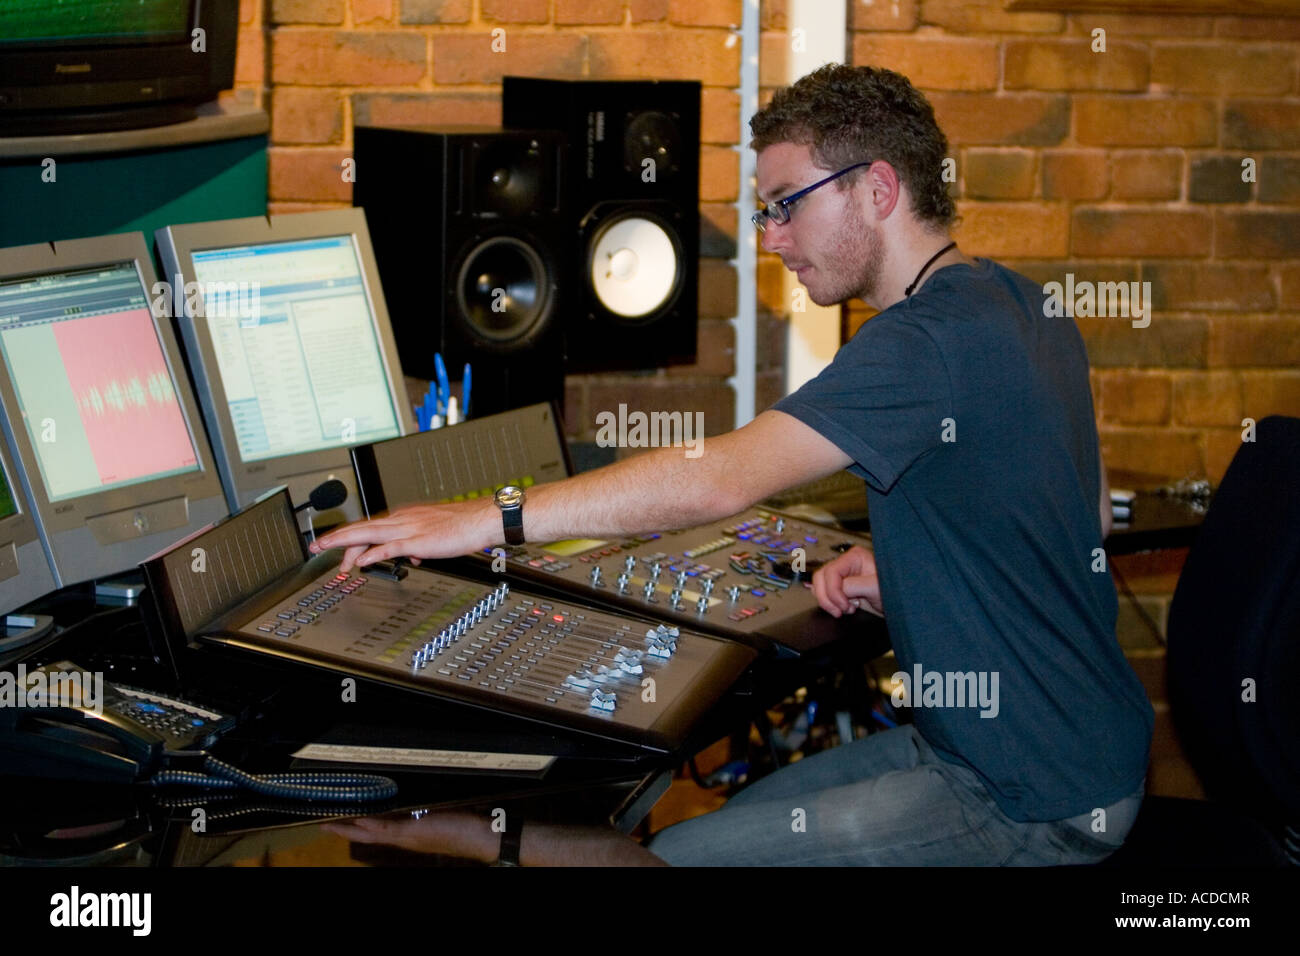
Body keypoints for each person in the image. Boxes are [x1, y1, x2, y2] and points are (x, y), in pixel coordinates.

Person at [313, 64, 1154, 866]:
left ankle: (471, 838)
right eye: (765, 213)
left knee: (676, 855)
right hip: (1060, 747)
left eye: (786, 205)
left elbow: (722, 477)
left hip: (1026, 795)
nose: (774, 237)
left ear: (879, 188)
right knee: (743, 820)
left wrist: (484, 518)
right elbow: (1053, 517)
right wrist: (910, 572)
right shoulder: (1016, 301)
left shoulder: (924, 343)